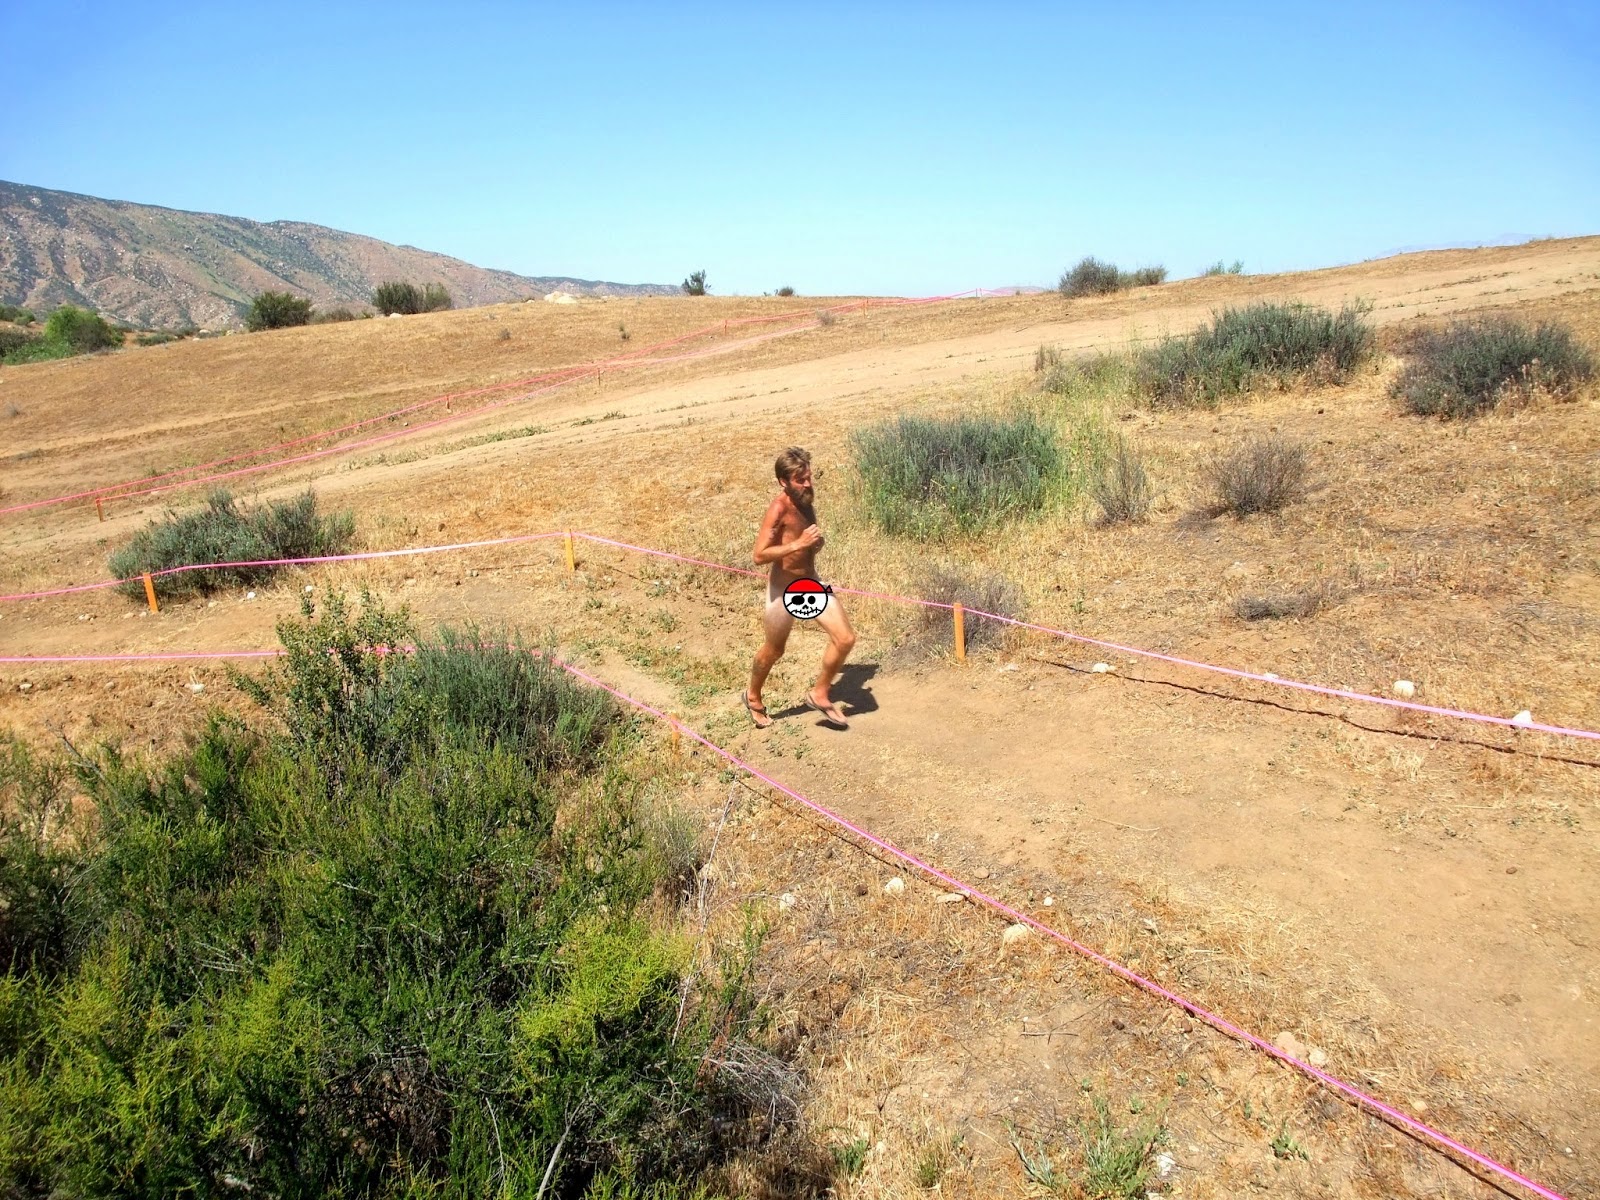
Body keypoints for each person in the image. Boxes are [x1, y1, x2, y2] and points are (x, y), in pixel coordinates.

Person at [744, 447, 856, 729]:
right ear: (784, 481)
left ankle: (820, 693)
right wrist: (798, 544)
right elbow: (759, 555)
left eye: (808, 477)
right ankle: (753, 696)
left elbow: (807, 541)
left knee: (845, 639)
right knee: (774, 649)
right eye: (800, 479)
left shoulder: (806, 500)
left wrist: (815, 544)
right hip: (783, 591)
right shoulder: (778, 508)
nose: (807, 484)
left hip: (808, 584)